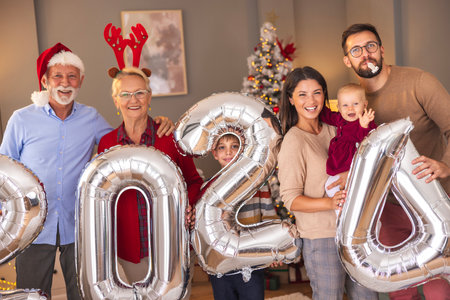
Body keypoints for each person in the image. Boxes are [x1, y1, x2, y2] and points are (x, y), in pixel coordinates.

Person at [0, 43, 174, 299]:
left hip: (79, 226)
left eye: (72, 76)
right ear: (45, 80)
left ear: (81, 81)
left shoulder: (91, 118)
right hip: (32, 226)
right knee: (31, 295)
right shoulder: (21, 119)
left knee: (83, 294)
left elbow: (123, 139)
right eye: (58, 76)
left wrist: (158, 120)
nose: (65, 82)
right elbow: (4, 170)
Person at [341, 23, 450, 299]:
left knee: (439, 286)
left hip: (435, 202)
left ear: (381, 49)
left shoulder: (419, 81)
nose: (365, 54)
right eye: (356, 50)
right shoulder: (351, 102)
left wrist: (446, 164)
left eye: (370, 46)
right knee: (402, 289)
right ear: (347, 60)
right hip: (388, 209)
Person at [97, 67, 203, 295]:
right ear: (116, 101)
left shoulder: (170, 137)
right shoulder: (106, 144)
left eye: (139, 93)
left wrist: (188, 205)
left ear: (149, 97)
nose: (133, 100)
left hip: (173, 244)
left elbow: (193, 181)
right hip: (132, 250)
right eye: (125, 94)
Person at [277, 66, 378, 300]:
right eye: (302, 94)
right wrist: (330, 202)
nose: (311, 100)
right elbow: (291, 199)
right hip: (321, 237)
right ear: (291, 99)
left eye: (317, 92)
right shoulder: (293, 141)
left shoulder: (339, 127)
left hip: (355, 230)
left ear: (325, 94)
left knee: (367, 297)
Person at [207, 132, 279, 300]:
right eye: (222, 147)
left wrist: (273, 248)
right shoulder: (209, 188)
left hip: (251, 261)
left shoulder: (259, 184)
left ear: (243, 150)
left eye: (234, 146)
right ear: (215, 153)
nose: (228, 152)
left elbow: (269, 218)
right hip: (221, 263)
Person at [320, 83, 377, 198]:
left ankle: (346, 210)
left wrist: (364, 126)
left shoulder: (366, 121)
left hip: (354, 164)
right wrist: (319, 100)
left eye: (355, 104)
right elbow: (326, 115)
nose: (350, 108)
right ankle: (342, 211)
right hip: (339, 165)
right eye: (345, 105)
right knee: (331, 189)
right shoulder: (340, 118)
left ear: (364, 105)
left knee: (334, 189)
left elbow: (368, 143)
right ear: (339, 108)